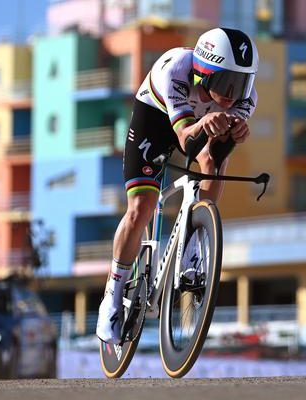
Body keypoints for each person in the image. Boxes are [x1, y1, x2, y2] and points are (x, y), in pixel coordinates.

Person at [96, 27, 258, 344]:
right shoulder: (177, 70)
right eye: (225, 82)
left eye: (240, 84)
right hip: (156, 121)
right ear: (203, 72)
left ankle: (192, 248)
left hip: (197, 123)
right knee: (140, 208)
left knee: (213, 162)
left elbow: (214, 151)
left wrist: (234, 135)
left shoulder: (245, 98)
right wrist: (204, 124)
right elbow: (185, 139)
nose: (232, 93)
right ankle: (112, 296)